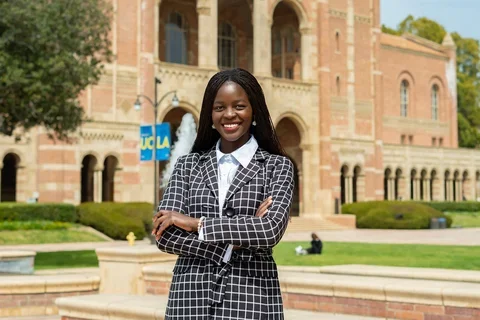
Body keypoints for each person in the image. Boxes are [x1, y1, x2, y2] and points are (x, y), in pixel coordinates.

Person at [151, 68, 294, 320]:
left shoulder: (277, 166)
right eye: (219, 108)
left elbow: (270, 230)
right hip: (189, 298)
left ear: (254, 111)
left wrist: (196, 224)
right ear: (210, 114)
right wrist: (234, 244)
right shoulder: (187, 165)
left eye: (239, 106)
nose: (229, 115)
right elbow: (165, 236)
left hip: (251, 297)